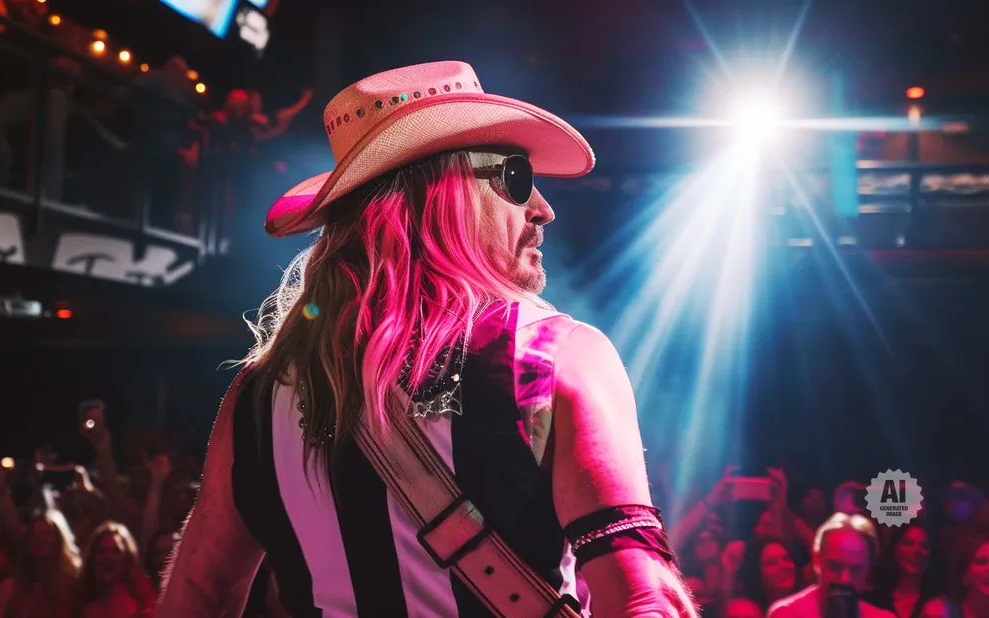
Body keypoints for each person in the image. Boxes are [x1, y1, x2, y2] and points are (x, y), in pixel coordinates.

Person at [155, 61, 697, 617]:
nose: (543, 209)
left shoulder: (257, 397)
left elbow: (195, 595)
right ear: (444, 193)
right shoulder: (551, 357)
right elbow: (642, 598)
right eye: (516, 178)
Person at [767, 513, 895, 618]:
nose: (845, 579)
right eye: (835, 566)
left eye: (855, 569)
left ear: (868, 570)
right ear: (817, 560)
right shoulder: (787, 614)